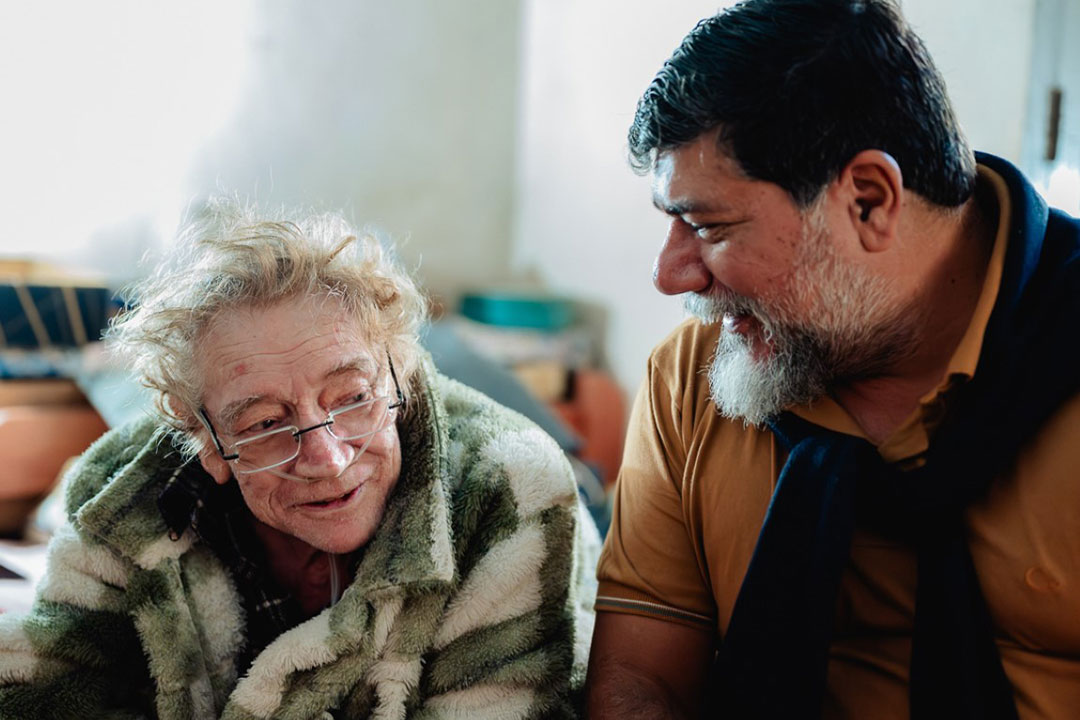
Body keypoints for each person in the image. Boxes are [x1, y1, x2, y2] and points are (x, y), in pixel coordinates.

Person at [586, 1, 1080, 718]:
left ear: (870, 202)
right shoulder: (693, 379)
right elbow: (640, 676)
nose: (669, 275)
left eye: (707, 226)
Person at [0, 201, 598, 719]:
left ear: (400, 379)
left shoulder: (509, 490)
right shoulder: (118, 497)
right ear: (206, 442)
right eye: (265, 424)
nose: (328, 459)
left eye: (353, 398)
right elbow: (43, 689)